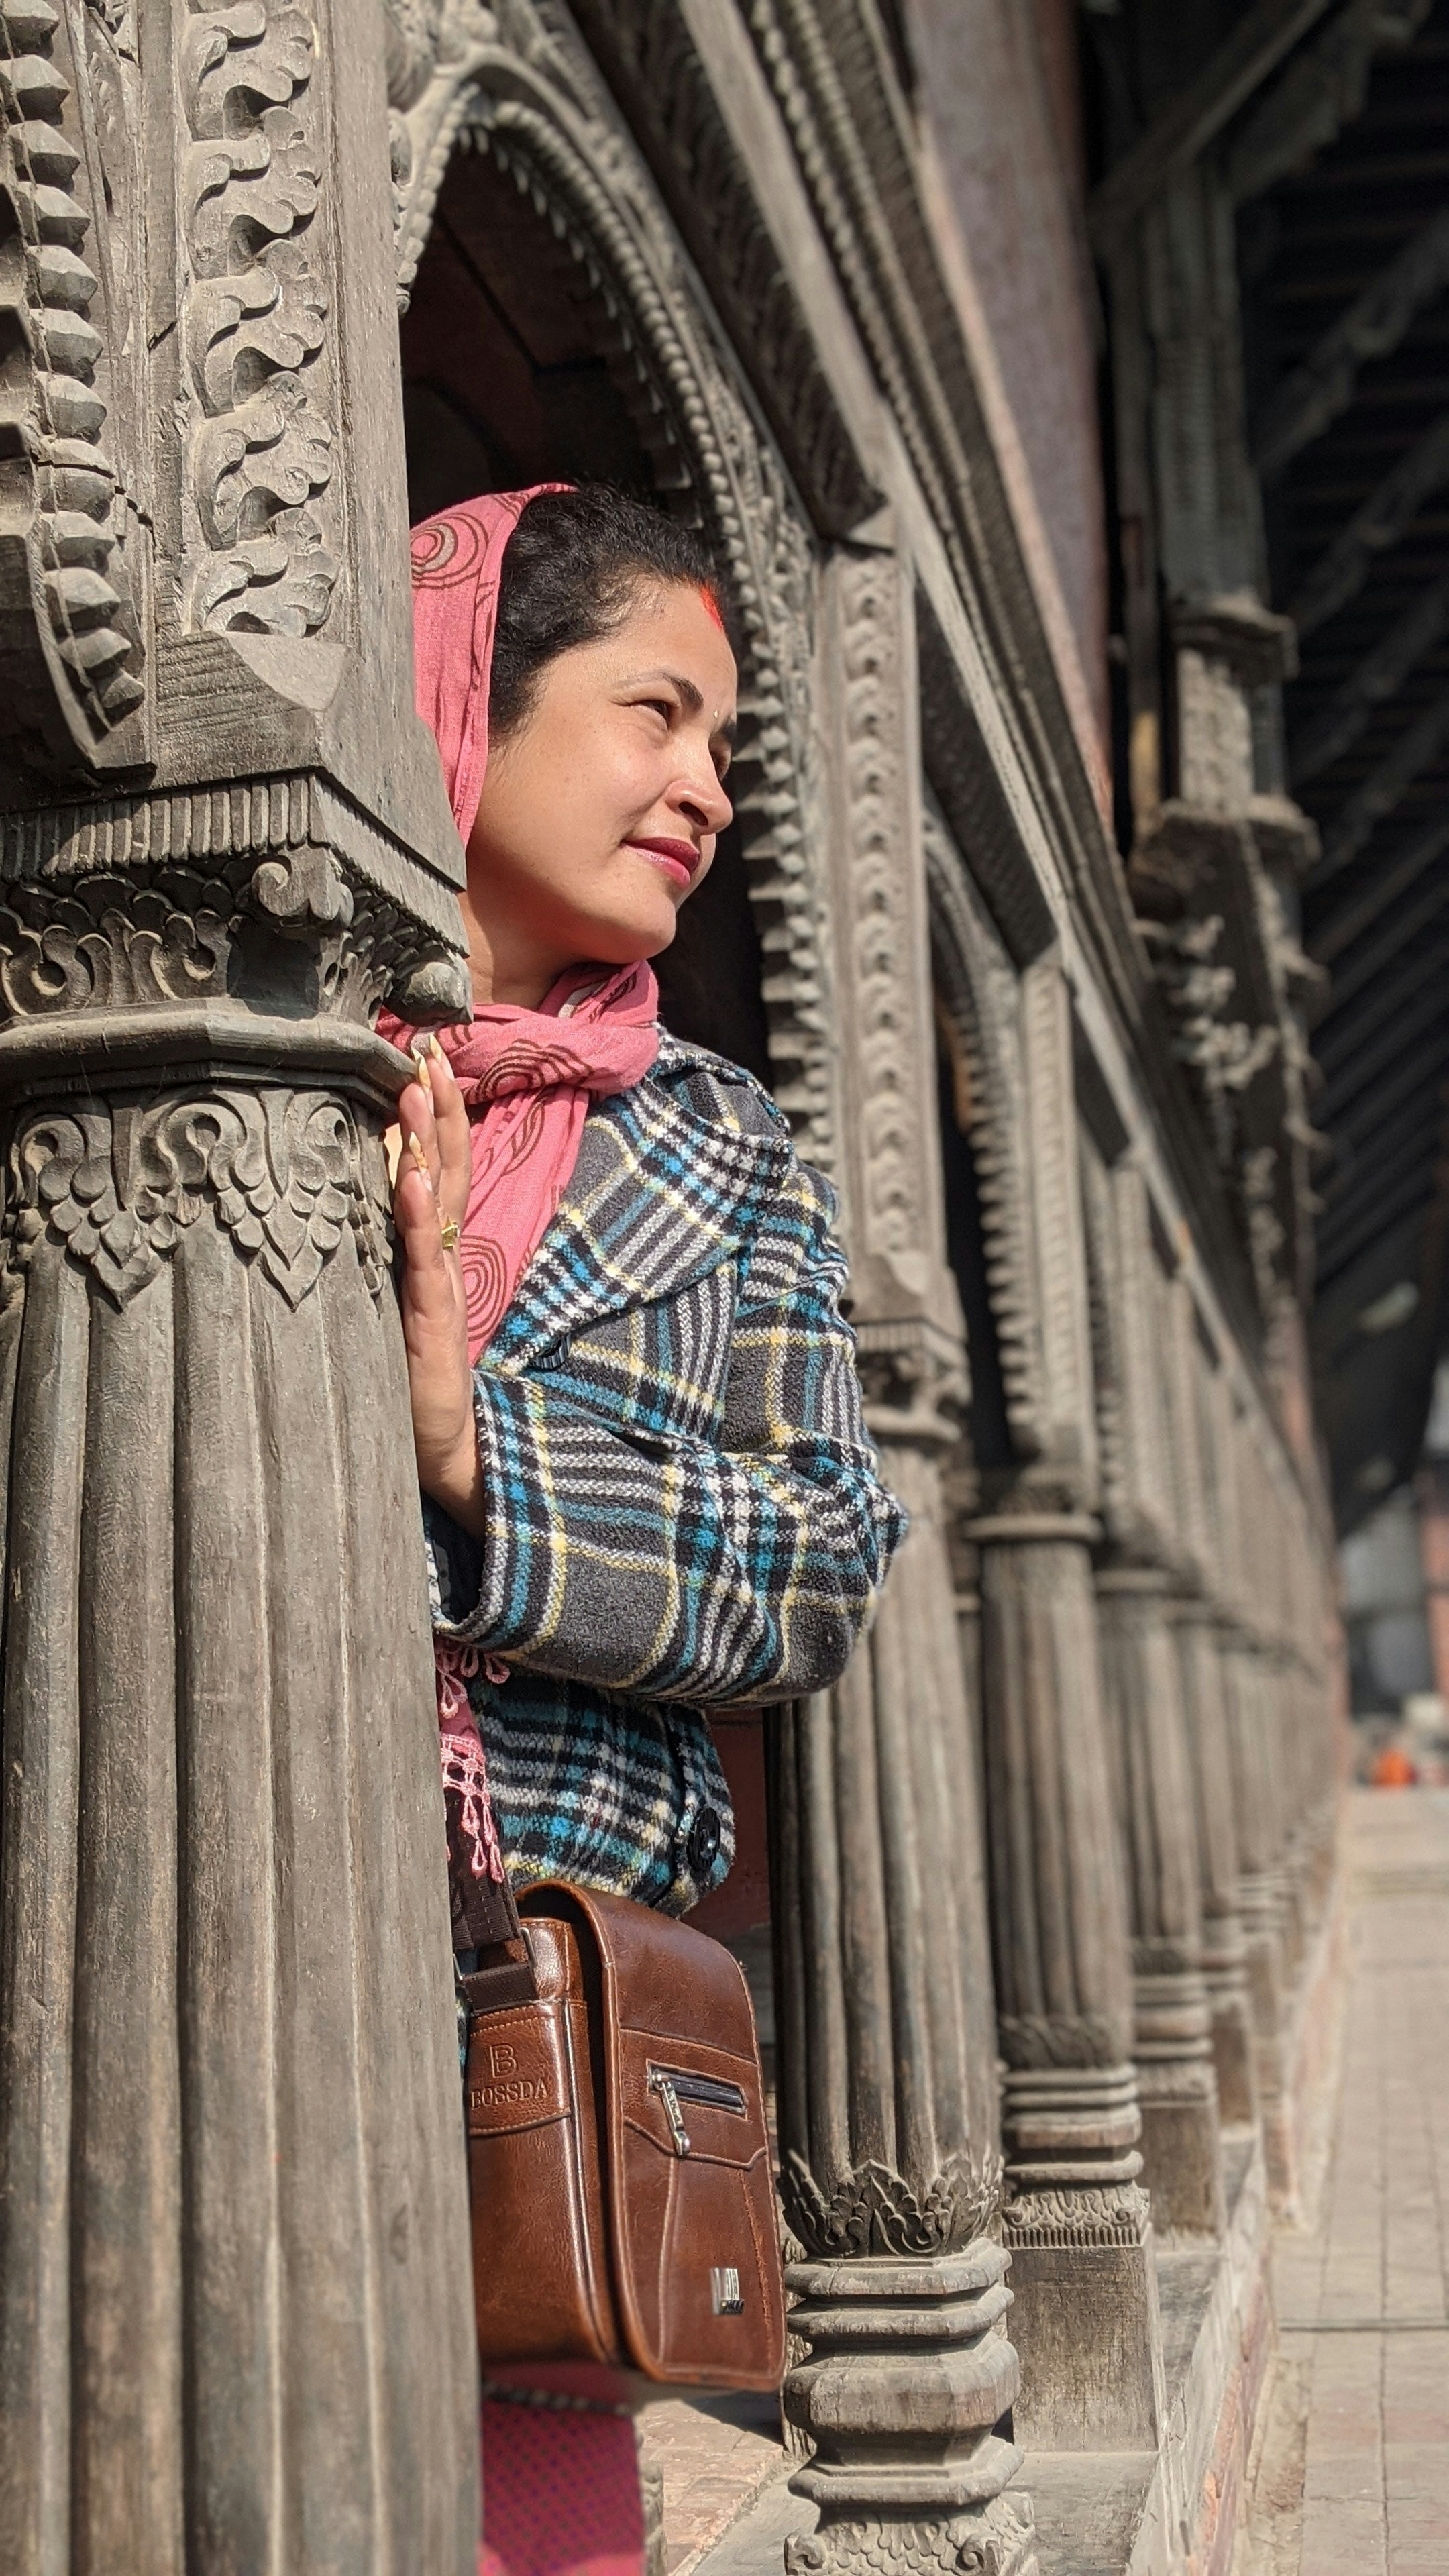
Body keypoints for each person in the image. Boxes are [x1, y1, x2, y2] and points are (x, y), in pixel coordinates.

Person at [383, 486, 905, 2576]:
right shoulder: (233, 1056)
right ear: (462, 704)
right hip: (190, 1950)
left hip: (529, 2044)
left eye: (725, 748)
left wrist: (476, 1452)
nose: (702, 789)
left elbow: (817, 1559)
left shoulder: (715, 1145)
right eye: (655, 713)